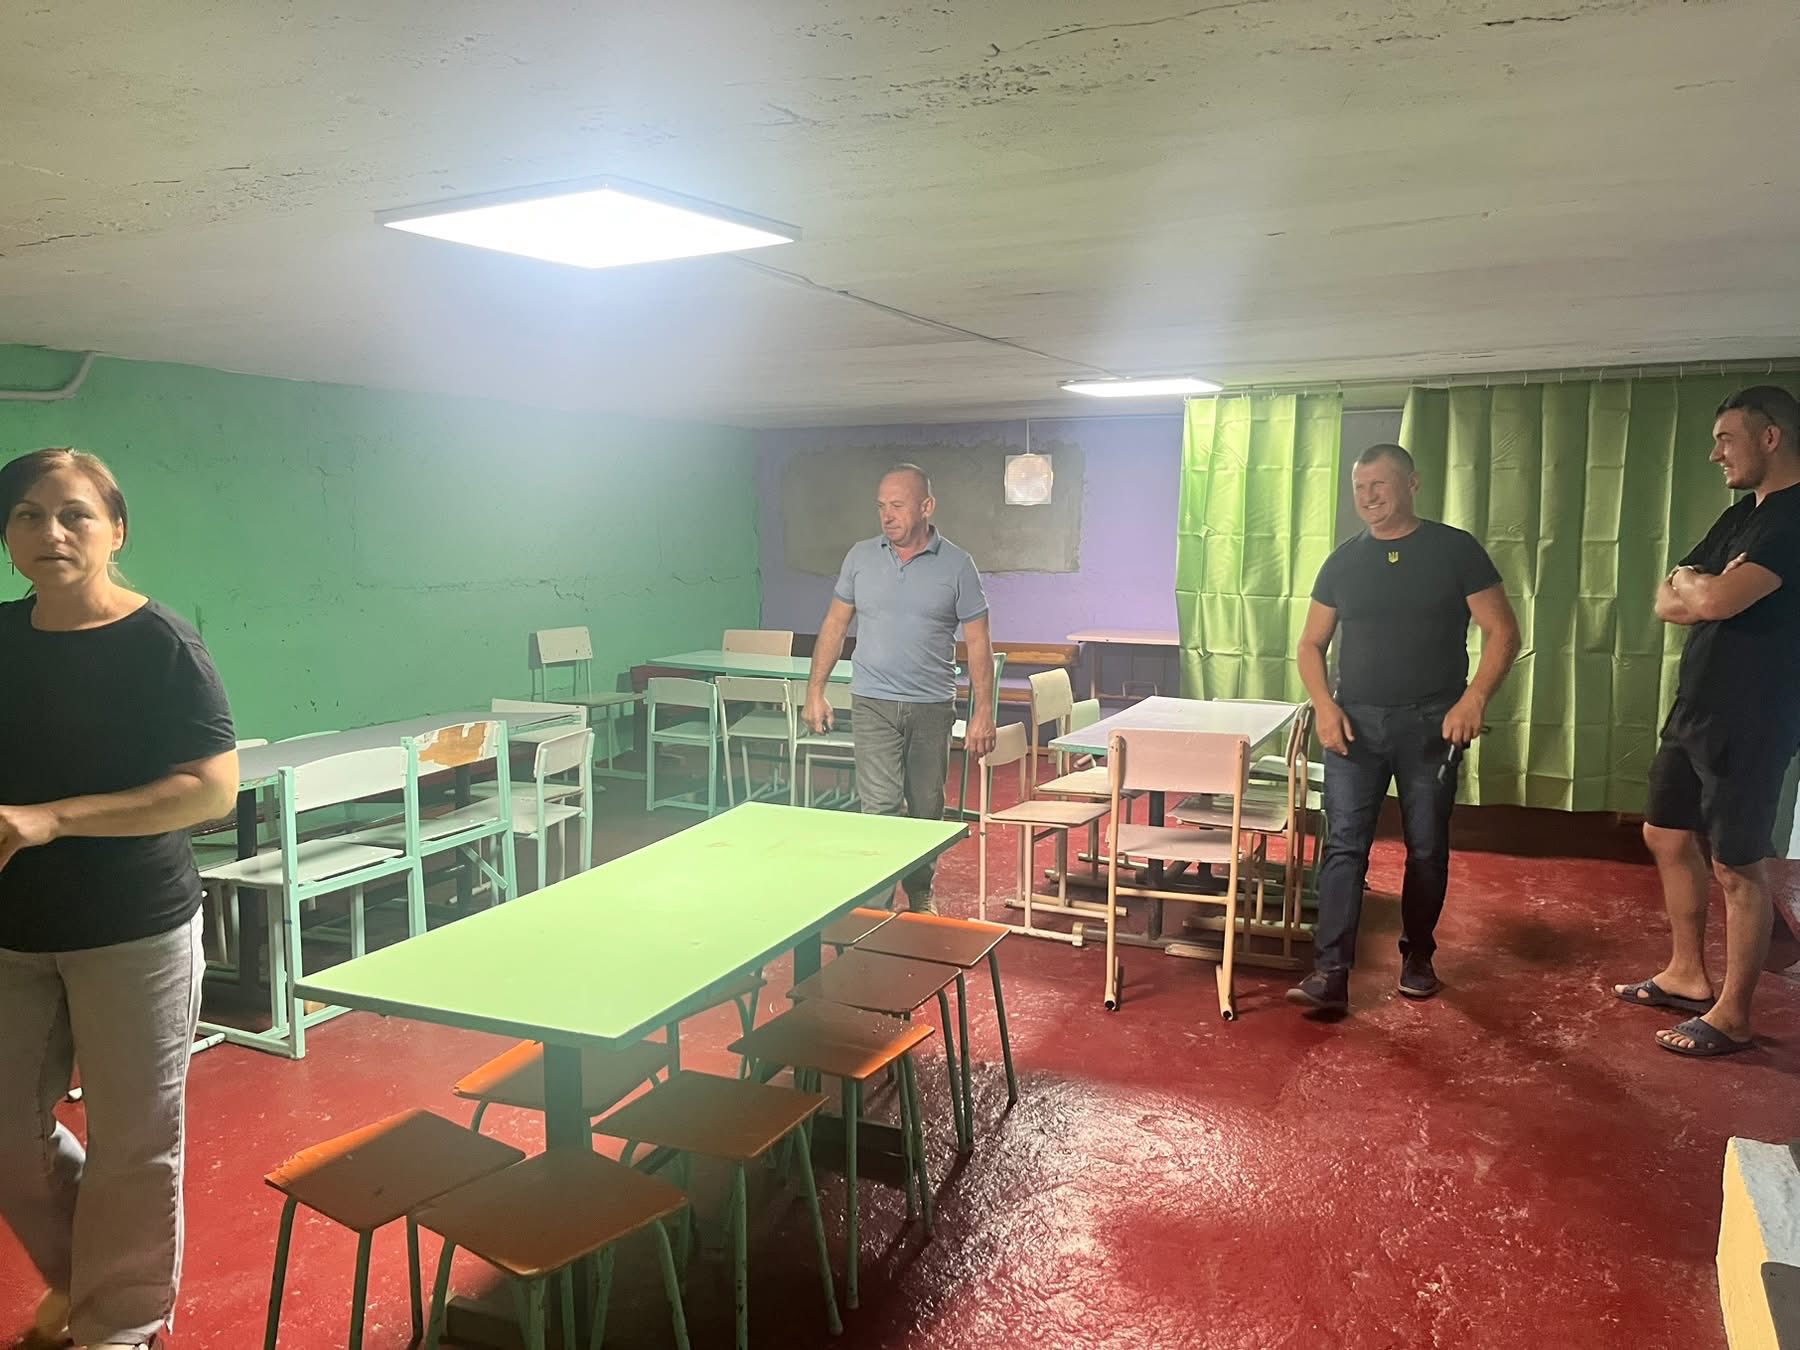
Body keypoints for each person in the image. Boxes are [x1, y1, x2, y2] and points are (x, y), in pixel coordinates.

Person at [0, 449, 238, 1349]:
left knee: (135, 1144)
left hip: (134, 930)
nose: (51, 533)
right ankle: (82, 1279)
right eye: (28, 515)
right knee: (8, 1136)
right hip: (13, 930)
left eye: (75, 514)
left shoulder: (160, 645)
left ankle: (118, 1329)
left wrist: (53, 818)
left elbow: (211, 790)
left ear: (116, 530)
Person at [1287, 443, 1520, 1013]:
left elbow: (1503, 631)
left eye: (1379, 485)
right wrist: (1324, 706)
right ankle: (1330, 973)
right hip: (1354, 725)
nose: (1368, 497)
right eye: (1359, 487)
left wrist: (1473, 700)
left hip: (1431, 725)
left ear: (1411, 484)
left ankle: (1418, 956)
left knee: (1426, 847)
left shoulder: (1454, 550)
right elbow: (1311, 644)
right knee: (1344, 846)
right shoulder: (1344, 561)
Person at [1613, 385, 1800, 1058]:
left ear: (1770, 437)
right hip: (1696, 705)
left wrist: (1701, 586)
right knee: (1664, 831)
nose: (1716, 454)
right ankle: (1686, 975)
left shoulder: (1792, 520)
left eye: (1726, 439)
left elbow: (1713, 599)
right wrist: (1700, 587)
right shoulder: (1742, 516)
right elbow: (1667, 599)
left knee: (1737, 862)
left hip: (1753, 715)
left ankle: (1734, 1016)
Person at [803, 464, 995, 913]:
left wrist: (984, 711)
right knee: (881, 806)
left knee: (926, 807)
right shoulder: (860, 557)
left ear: (926, 507)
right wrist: (816, 690)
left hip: (931, 705)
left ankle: (921, 890)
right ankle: (877, 905)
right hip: (872, 701)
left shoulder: (958, 565)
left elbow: (978, 642)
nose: (887, 516)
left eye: (897, 505)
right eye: (881, 507)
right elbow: (835, 624)